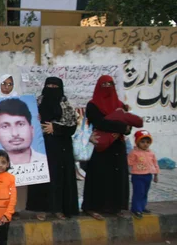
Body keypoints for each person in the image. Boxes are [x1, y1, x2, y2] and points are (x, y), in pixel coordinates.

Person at [27, 77, 79, 221]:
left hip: (61, 148)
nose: (51, 88)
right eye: (49, 85)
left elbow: (72, 126)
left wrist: (55, 128)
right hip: (41, 146)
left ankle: (59, 208)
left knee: (60, 178)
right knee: (42, 178)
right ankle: (41, 209)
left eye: (55, 86)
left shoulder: (65, 104)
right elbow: (28, 121)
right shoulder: (37, 102)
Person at [82, 76, 131, 220]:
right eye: (104, 84)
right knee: (99, 176)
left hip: (117, 147)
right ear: (98, 86)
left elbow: (128, 126)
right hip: (101, 147)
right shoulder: (92, 105)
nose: (107, 86)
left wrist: (125, 128)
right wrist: (122, 127)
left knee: (117, 177)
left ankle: (114, 207)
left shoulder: (120, 105)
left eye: (110, 84)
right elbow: (100, 123)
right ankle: (93, 207)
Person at [0, 98, 47, 165]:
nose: (15, 133)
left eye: (20, 124)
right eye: (5, 126)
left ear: (32, 130)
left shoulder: (46, 162)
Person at [128, 130, 159, 219]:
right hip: (137, 176)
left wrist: (156, 175)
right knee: (139, 192)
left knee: (145, 192)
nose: (145, 144)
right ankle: (136, 209)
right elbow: (129, 162)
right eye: (142, 142)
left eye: (147, 142)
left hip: (148, 175)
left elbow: (155, 164)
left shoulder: (151, 153)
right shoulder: (134, 153)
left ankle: (142, 207)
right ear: (137, 142)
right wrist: (129, 171)